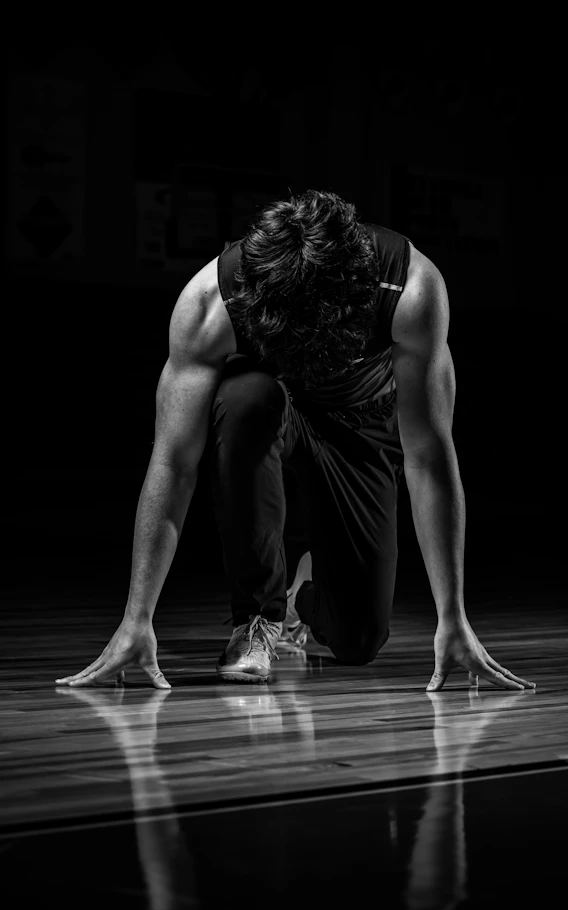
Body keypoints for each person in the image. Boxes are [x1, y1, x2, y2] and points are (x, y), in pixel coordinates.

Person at [56, 190, 535, 692]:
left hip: (360, 423)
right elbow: (174, 462)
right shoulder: (210, 303)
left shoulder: (411, 288)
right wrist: (136, 618)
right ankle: (256, 619)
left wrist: (453, 617)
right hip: (268, 410)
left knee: (358, 640)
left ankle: (301, 596)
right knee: (245, 400)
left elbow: (428, 455)